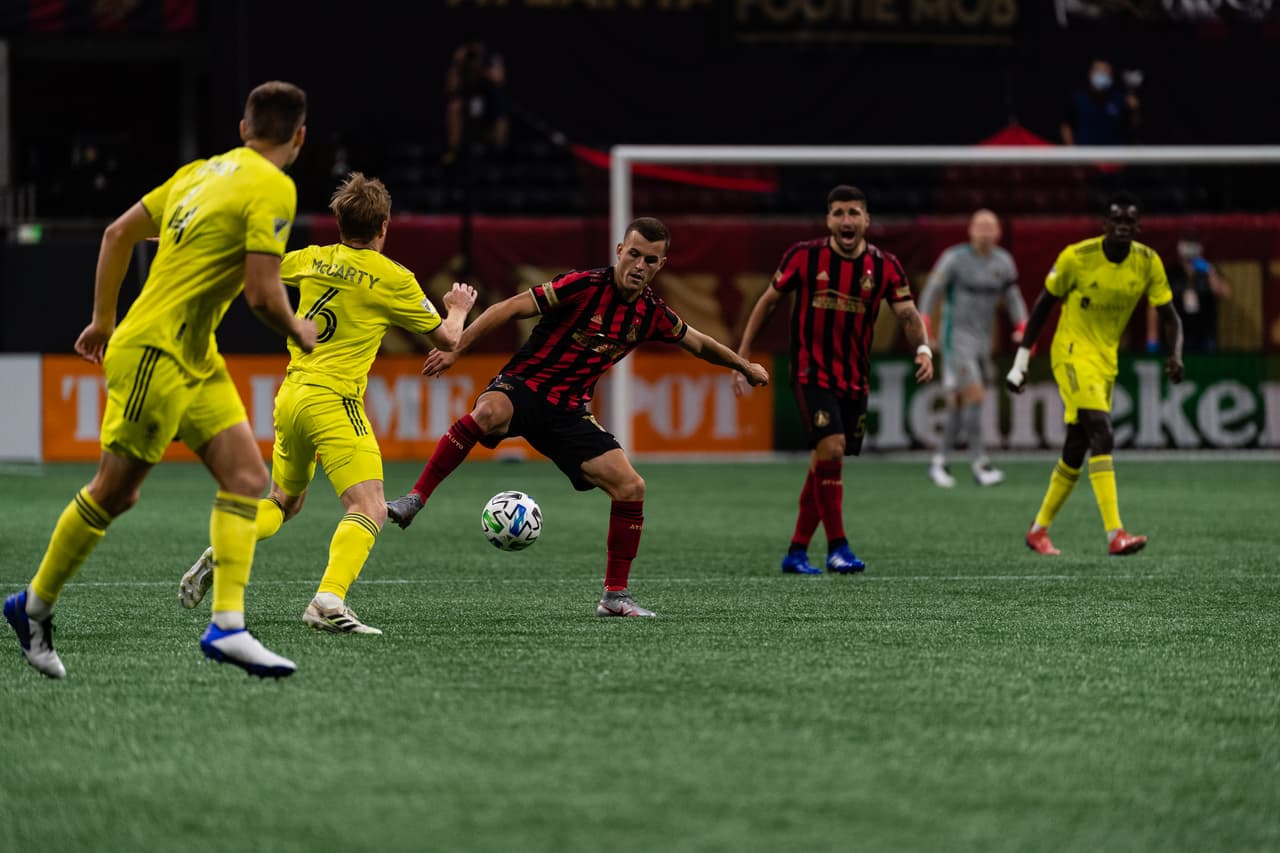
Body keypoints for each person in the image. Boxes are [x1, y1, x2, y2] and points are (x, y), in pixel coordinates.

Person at [3, 81, 316, 679]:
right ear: (299, 137)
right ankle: (33, 606)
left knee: (249, 479)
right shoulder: (275, 186)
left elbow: (117, 234)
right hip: (155, 353)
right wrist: (296, 328)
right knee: (115, 491)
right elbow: (261, 292)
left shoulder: (197, 174)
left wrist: (101, 320)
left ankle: (228, 626)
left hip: (192, 355)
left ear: (244, 128)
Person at [385, 217, 769, 617]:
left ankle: (615, 596)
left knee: (631, 486)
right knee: (488, 411)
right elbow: (509, 307)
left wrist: (742, 365)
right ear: (620, 252)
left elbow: (699, 342)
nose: (639, 265)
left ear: (661, 265)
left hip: (569, 413)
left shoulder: (652, 313)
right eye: (634, 254)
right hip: (525, 387)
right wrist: (456, 347)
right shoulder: (583, 285)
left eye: (650, 260)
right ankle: (416, 498)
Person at [177, 173, 477, 635]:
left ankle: (228, 543)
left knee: (283, 502)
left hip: (292, 396)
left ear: (338, 224)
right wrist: (457, 305)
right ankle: (328, 600)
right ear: (384, 227)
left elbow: (254, 267)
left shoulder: (312, 258)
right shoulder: (394, 278)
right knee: (371, 505)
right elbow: (447, 338)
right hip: (334, 400)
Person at [732, 185, 935, 576]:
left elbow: (908, 314)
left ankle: (795, 551)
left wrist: (922, 349)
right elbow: (768, 301)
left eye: (854, 213)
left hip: (854, 378)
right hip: (810, 373)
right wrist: (742, 353)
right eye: (839, 213)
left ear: (866, 220)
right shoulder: (804, 257)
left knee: (824, 459)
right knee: (833, 447)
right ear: (828, 220)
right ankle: (838, 547)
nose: (847, 220)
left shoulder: (885, 265)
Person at [1006, 192, 1184, 557]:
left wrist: (1175, 354)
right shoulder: (1077, 257)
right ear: (1104, 225)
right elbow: (1042, 307)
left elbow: (1170, 317)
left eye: (1129, 222)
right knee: (1102, 432)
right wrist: (1021, 361)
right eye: (1115, 221)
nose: (1122, 227)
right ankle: (1115, 533)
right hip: (1070, 353)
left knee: (1076, 447)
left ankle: (1038, 531)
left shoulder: (1148, 262)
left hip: (1105, 360)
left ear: (1137, 227)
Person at [918, 209, 1028, 488]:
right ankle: (981, 464)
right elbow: (931, 292)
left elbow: (1013, 297)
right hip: (956, 339)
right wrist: (925, 326)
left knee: (958, 402)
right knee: (976, 395)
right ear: (970, 230)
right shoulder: (954, 259)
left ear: (999, 232)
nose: (985, 231)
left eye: (991, 226)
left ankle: (939, 461)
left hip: (983, 340)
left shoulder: (1003, 262)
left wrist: (1024, 326)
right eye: (980, 226)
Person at [1145, 233, 1231, 354]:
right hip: (1174, 334)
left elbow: (1225, 293)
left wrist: (1210, 272)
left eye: (1193, 244)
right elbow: (1154, 305)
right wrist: (1152, 337)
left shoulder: (1208, 271)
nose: (1190, 248)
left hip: (1203, 336)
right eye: (1187, 244)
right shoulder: (1170, 273)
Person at [444, 40, 509, 164]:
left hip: (490, 103)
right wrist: (457, 63)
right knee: (454, 107)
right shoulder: (461, 62)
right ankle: (453, 151)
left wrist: (479, 68)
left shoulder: (491, 56)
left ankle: (498, 156)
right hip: (469, 104)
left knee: (500, 111)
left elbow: (499, 78)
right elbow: (451, 88)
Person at [1060, 59, 1141, 146]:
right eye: (1098, 71)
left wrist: (1134, 110)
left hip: (1114, 155)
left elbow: (1133, 127)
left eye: (1105, 72)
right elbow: (1066, 126)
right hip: (1085, 154)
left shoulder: (1120, 100)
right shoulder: (1077, 99)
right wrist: (1072, 153)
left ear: (1111, 77)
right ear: (1090, 74)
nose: (1102, 75)